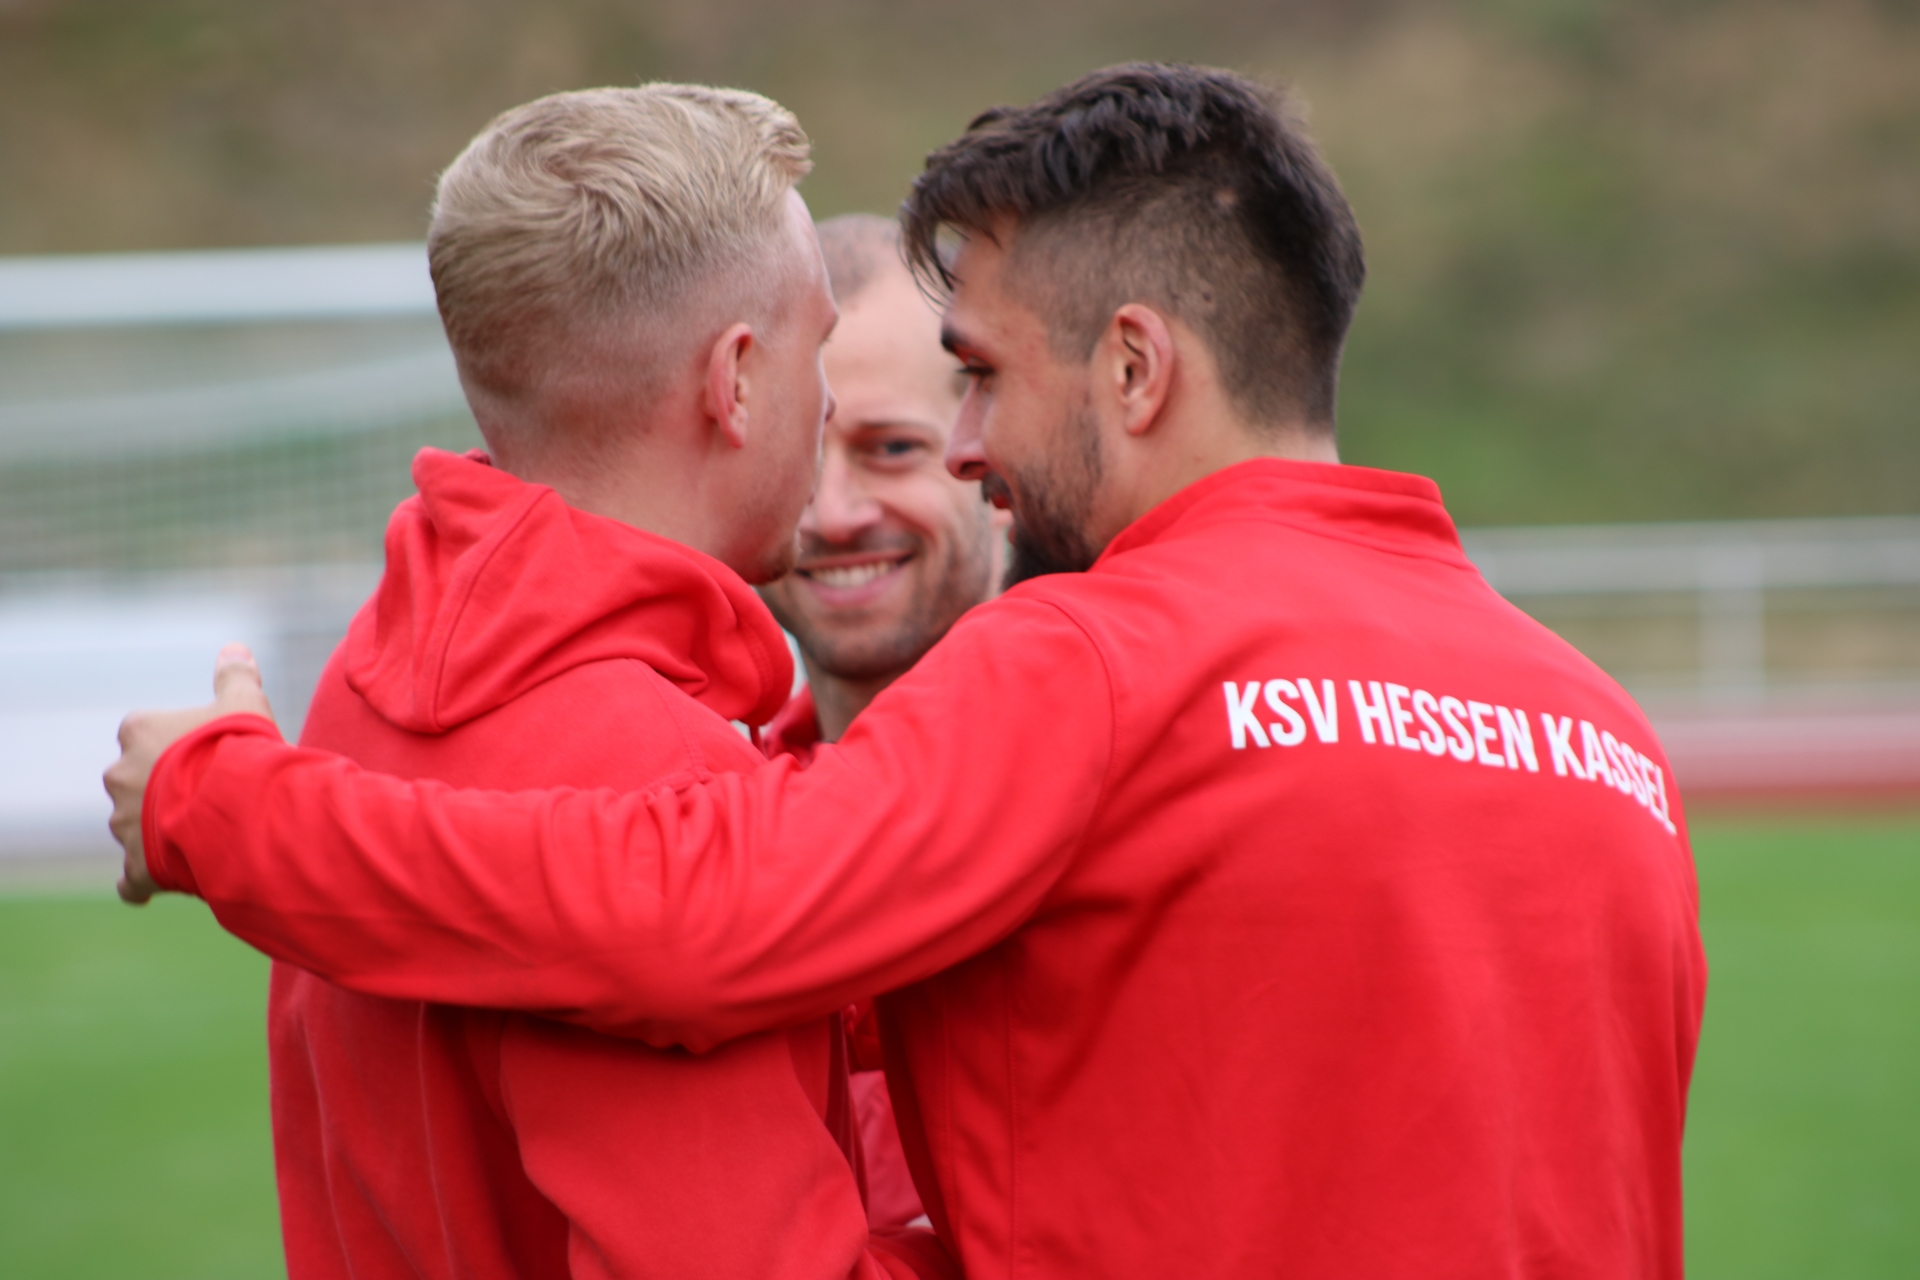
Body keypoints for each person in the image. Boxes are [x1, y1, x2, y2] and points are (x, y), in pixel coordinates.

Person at [109, 64, 1706, 1279]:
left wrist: (220, 803)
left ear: (1135, 368)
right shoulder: (1605, 732)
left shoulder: (1094, 660)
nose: (966, 447)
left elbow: (685, 917)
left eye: (981, 377)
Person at [158, 85, 952, 1280]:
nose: (828, 399)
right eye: (817, 347)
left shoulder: (366, 676)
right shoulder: (657, 773)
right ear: (735, 380)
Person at [765, 213, 1011, 1229]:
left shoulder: (1121, 805)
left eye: (891, 448)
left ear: (994, 453)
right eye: (792, 452)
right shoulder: (714, 816)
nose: (832, 512)